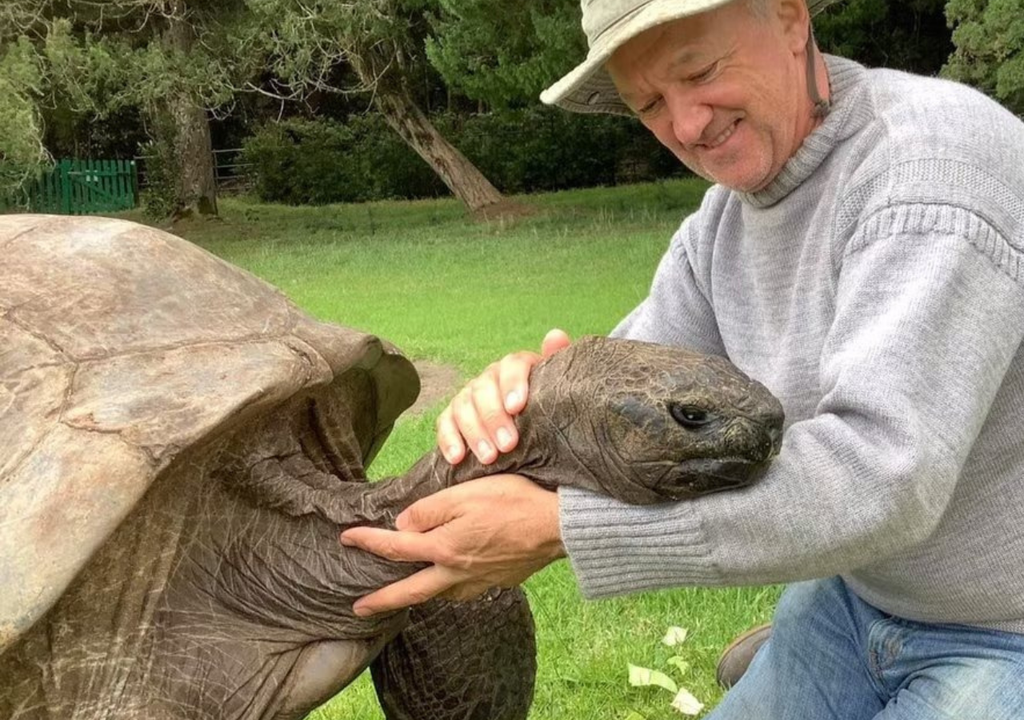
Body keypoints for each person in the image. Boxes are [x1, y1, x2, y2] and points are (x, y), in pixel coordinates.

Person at [340, 0, 1024, 715]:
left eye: (699, 71)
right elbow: (627, 400)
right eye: (650, 103)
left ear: (790, 17)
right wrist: (521, 400)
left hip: (1006, 625)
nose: (688, 125)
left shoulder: (934, 173)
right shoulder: (726, 222)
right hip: (856, 601)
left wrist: (562, 529)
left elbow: (884, 480)